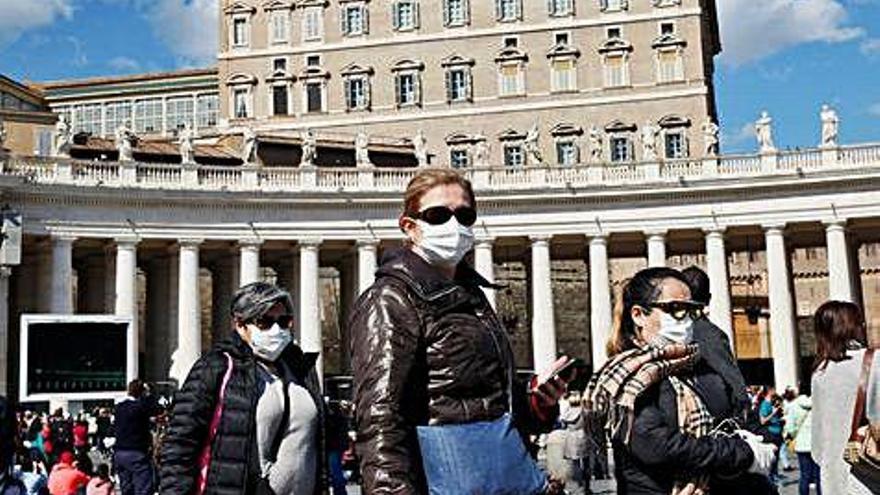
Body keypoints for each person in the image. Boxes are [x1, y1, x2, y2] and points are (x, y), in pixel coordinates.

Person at [349, 168, 571, 494]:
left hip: (497, 474)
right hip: (441, 479)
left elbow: (483, 400)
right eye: (438, 215)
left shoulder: (472, 294)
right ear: (409, 227)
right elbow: (379, 415)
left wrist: (534, 402)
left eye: (464, 215)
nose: (453, 225)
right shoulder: (390, 299)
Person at [584, 267, 778, 495]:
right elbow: (656, 445)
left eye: (691, 310)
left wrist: (764, 442)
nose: (685, 320)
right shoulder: (627, 377)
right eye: (675, 309)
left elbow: (741, 412)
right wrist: (743, 454)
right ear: (639, 315)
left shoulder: (701, 363)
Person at [160, 282, 324, 495]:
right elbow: (180, 445)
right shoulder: (216, 367)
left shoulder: (300, 369)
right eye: (264, 321)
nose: (277, 329)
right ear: (240, 324)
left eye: (284, 321)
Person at [811, 300, 877, 494]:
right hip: (869, 477)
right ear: (850, 327)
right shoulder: (876, 361)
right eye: (859, 322)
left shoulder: (820, 371)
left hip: (834, 479)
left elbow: (818, 446)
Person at [113, 380, 157, 495]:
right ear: (141, 392)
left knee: (126, 488)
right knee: (143, 487)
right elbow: (155, 408)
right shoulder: (140, 407)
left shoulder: (119, 407)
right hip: (136, 451)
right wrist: (149, 393)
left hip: (119, 452)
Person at [783, 392, 820, 495]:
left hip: (802, 444)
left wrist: (795, 434)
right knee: (819, 476)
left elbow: (790, 428)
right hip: (818, 445)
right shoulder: (820, 403)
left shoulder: (794, 405)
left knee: (805, 475)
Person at [758, 387, 785, 484]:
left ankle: (774, 476)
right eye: (773, 389)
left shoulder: (772, 402)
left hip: (777, 433)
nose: (775, 391)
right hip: (771, 434)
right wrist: (773, 413)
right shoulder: (764, 404)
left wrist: (779, 414)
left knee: (776, 457)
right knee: (772, 457)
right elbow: (762, 421)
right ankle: (770, 479)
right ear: (768, 392)